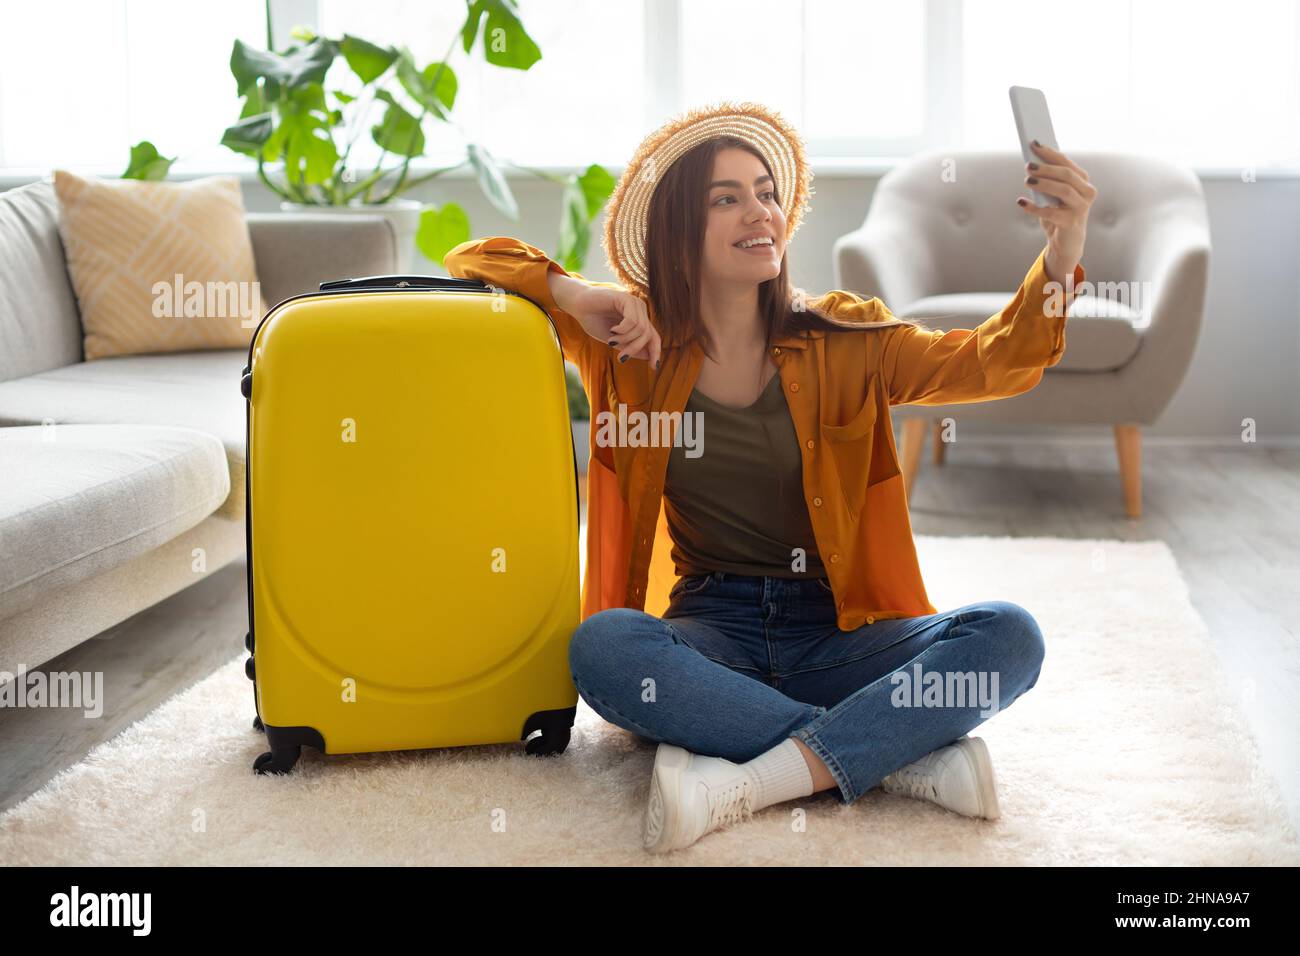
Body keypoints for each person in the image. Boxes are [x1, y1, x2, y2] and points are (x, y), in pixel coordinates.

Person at [445, 100, 1095, 854]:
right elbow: (473, 259)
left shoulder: (846, 335)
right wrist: (576, 295)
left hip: (841, 636)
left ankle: (750, 777)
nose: (760, 212)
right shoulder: (626, 345)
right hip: (711, 633)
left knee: (1009, 637)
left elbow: (995, 362)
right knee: (605, 649)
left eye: (766, 192)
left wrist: (1062, 248)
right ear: (677, 232)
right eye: (727, 198)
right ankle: (891, 758)